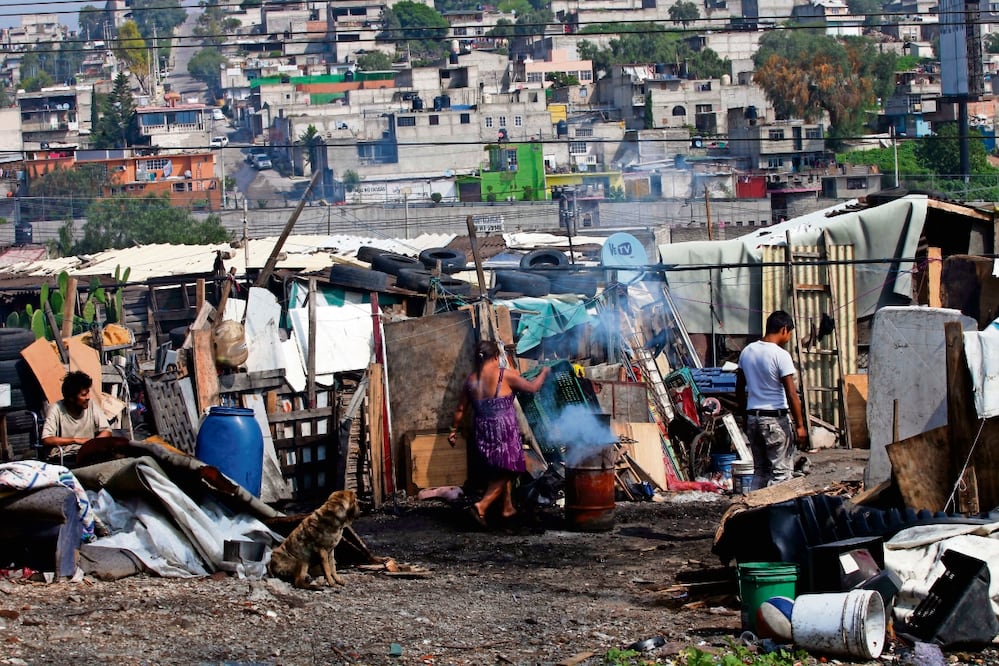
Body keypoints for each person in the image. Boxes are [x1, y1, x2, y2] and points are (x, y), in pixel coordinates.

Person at [448, 341, 550, 527]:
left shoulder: (471, 380)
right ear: (496, 357)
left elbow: (461, 409)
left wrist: (453, 431)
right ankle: (481, 506)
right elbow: (533, 388)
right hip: (503, 430)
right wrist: (544, 372)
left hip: (482, 429)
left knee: (499, 468)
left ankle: (507, 508)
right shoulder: (505, 375)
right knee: (512, 468)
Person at [736, 310, 807, 490]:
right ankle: (777, 507)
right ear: (784, 329)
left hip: (753, 418)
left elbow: (739, 389)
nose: (789, 338)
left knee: (760, 471)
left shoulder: (746, 352)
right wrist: (800, 425)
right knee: (781, 474)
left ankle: (753, 505)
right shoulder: (780, 355)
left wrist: (745, 417)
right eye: (789, 333)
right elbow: (791, 393)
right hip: (775, 420)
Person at [41, 371, 112, 462]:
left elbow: (107, 430)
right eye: (83, 395)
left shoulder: (91, 405)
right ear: (71, 398)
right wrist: (75, 440)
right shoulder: (56, 409)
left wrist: (93, 444)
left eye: (88, 393)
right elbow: (47, 439)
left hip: (87, 453)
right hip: (65, 456)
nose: (88, 397)